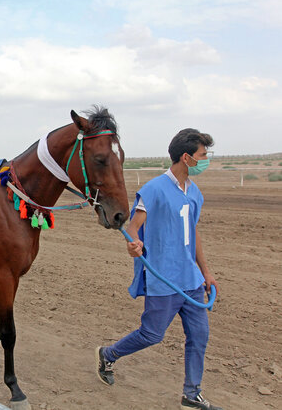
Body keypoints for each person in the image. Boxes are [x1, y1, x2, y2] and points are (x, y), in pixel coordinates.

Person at [96, 129, 222, 410]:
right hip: (164, 279)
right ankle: (107, 354)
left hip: (190, 279)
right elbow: (133, 228)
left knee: (199, 336)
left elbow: (195, 233)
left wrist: (207, 272)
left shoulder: (194, 192)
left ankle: (191, 394)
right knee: (152, 334)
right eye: (202, 155)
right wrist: (134, 245)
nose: (205, 160)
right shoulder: (154, 189)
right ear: (186, 157)